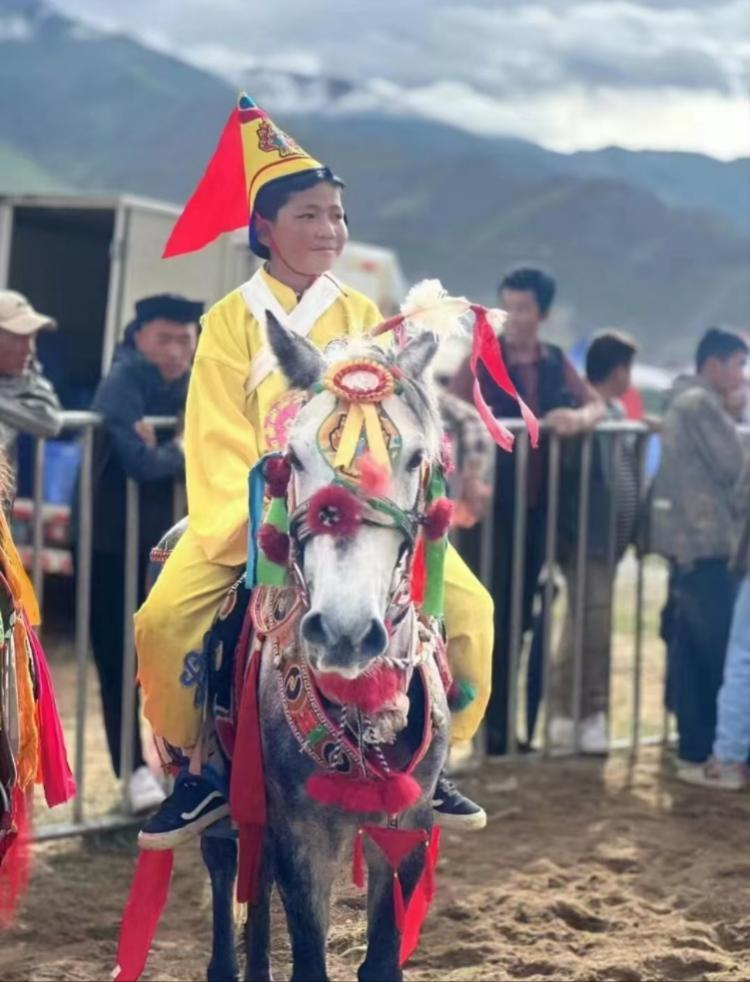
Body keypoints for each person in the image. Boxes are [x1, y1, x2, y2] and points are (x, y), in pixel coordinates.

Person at [134, 93, 494, 847]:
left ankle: (437, 759)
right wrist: (261, 513)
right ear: (264, 229)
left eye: (337, 214)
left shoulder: (362, 312)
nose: (330, 228)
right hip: (256, 507)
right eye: (309, 214)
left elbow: (388, 418)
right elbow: (216, 431)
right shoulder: (228, 320)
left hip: (362, 511)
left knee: (472, 612)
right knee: (162, 624)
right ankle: (200, 770)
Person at [450, 267, 604, 755]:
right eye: (507, 307)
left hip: (538, 512)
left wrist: (577, 417)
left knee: (520, 620)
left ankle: (506, 732)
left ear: (543, 314)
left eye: (523, 308)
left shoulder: (555, 361)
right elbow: (448, 406)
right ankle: (479, 732)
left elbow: (596, 405)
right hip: (487, 514)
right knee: (483, 620)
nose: (514, 317)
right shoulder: (481, 357)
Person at [88, 294, 202, 813]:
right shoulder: (123, 380)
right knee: (118, 656)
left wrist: (170, 446)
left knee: (180, 654)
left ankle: (179, 763)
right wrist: (180, 447)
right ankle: (132, 769)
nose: (176, 350)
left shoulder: (195, 381)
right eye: (164, 338)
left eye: (184, 339)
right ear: (138, 337)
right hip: (111, 541)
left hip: (173, 543)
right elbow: (139, 462)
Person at [652, 328, 749, 780]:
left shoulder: (683, 400)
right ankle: (706, 747)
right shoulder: (700, 405)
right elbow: (737, 465)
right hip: (708, 542)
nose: (741, 375)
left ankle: (695, 748)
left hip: (689, 543)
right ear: (714, 364)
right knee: (712, 653)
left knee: (691, 649)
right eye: (738, 365)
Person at [548, 330, 639, 752]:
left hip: (609, 543)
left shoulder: (616, 413)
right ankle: (584, 714)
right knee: (592, 629)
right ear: (617, 370)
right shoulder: (583, 413)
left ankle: (570, 714)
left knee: (583, 627)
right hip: (586, 539)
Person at [0, 290, 62, 494]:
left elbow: (49, 419)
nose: (28, 349)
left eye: (32, 338)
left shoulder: (25, 378)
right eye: (18, 338)